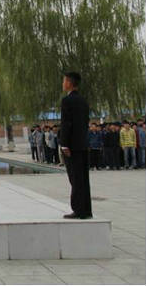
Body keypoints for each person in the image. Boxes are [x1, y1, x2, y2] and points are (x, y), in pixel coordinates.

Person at [60, 72, 92, 219]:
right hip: (82, 144)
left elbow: (66, 123)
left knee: (75, 178)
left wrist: (64, 144)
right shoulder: (83, 100)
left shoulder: (67, 101)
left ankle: (78, 209)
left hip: (72, 146)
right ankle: (86, 210)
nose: (63, 84)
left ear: (69, 83)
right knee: (83, 178)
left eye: (64, 81)